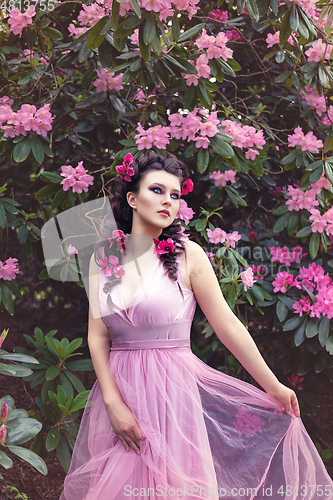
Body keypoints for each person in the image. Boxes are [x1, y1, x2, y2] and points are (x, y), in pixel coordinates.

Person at [60, 151, 333, 500]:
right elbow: (97, 335)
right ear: (132, 197)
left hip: (171, 393)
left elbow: (227, 326)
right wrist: (113, 403)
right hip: (118, 389)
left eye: (175, 195)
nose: (167, 201)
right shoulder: (102, 257)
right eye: (157, 190)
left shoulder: (189, 256)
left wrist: (273, 385)